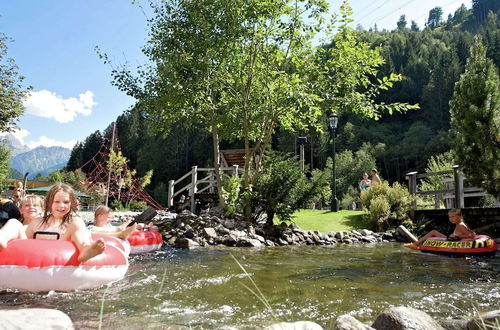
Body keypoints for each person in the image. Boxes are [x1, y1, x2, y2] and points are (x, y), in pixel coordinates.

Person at [15, 183, 105, 263]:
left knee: (75, 222)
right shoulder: (37, 222)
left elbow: (82, 233)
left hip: (63, 254)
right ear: (50, 203)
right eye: (57, 202)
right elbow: (24, 242)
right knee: (13, 222)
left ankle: (85, 249)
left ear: (71, 204)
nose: (61, 206)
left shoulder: (74, 222)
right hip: (37, 257)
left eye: (66, 202)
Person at [406, 209, 476, 248]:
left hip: (452, 242)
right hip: (451, 240)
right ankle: (419, 244)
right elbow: (471, 233)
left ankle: (416, 244)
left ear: (459, 217)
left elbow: (471, 235)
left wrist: (457, 236)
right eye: (449, 217)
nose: (450, 219)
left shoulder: (460, 225)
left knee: (433, 232)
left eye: (453, 216)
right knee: (434, 232)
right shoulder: (460, 224)